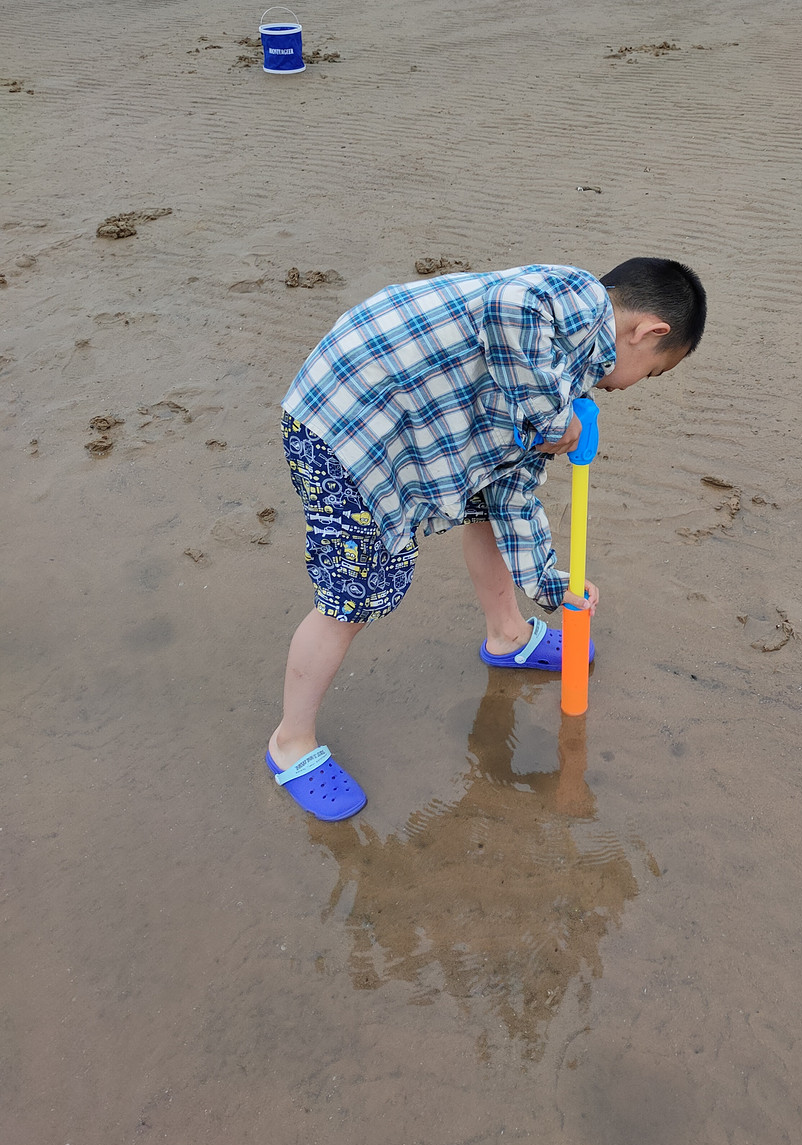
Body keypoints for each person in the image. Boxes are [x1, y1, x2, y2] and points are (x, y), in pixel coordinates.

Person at [266, 256, 707, 820]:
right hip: (345, 428)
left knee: (485, 502)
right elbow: (508, 306)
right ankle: (291, 744)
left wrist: (552, 584)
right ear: (650, 332)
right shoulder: (576, 301)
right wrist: (558, 425)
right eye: (653, 372)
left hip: (413, 420)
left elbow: (510, 496)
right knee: (354, 593)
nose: (636, 385)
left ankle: (507, 635)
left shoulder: (557, 370)